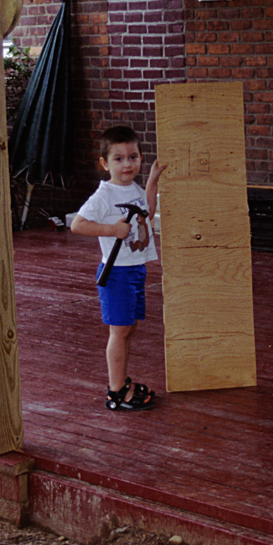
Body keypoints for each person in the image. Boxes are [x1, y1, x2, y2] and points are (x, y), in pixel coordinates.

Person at [70, 125, 167, 411]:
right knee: (119, 331)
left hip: (134, 269)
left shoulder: (133, 188)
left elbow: (146, 213)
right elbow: (78, 225)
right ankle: (115, 391)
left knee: (128, 329)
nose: (127, 164)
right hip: (117, 273)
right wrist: (112, 228)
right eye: (119, 159)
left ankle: (122, 382)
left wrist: (153, 180)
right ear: (105, 163)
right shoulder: (104, 195)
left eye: (133, 157)